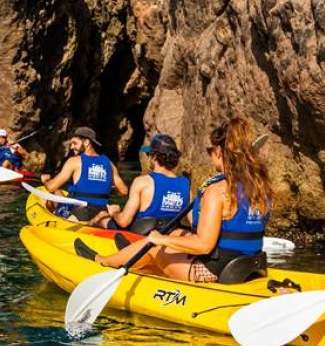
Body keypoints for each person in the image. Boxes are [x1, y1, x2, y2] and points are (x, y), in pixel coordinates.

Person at [86, 117, 272, 285]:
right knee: (174, 236)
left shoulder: (216, 191)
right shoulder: (261, 188)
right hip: (251, 266)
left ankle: (103, 262)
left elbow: (204, 245)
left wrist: (161, 239)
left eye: (210, 150)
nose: (209, 155)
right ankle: (129, 254)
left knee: (153, 246)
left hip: (215, 272)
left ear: (220, 152)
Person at [88, 133, 190, 233]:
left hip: (139, 235)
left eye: (148, 154)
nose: (148, 158)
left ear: (154, 157)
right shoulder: (186, 185)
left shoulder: (142, 182)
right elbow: (193, 223)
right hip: (169, 233)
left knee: (102, 219)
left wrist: (115, 213)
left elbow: (124, 222)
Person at [44, 126, 128, 221]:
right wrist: (103, 186)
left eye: (74, 143)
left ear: (87, 142)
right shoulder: (109, 163)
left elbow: (51, 187)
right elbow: (124, 191)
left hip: (80, 213)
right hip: (102, 210)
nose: (71, 147)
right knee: (58, 192)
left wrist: (46, 180)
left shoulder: (74, 161)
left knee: (50, 196)